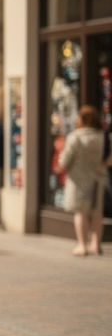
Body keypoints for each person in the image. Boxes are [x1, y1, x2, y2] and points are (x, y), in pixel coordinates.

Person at [57, 105, 110, 257]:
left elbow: (65, 159)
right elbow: (109, 159)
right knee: (97, 213)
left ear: (82, 119)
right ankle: (96, 244)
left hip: (78, 180)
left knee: (80, 212)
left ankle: (82, 245)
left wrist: (60, 166)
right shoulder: (103, 137)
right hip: (99, 179)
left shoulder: (75, 137)